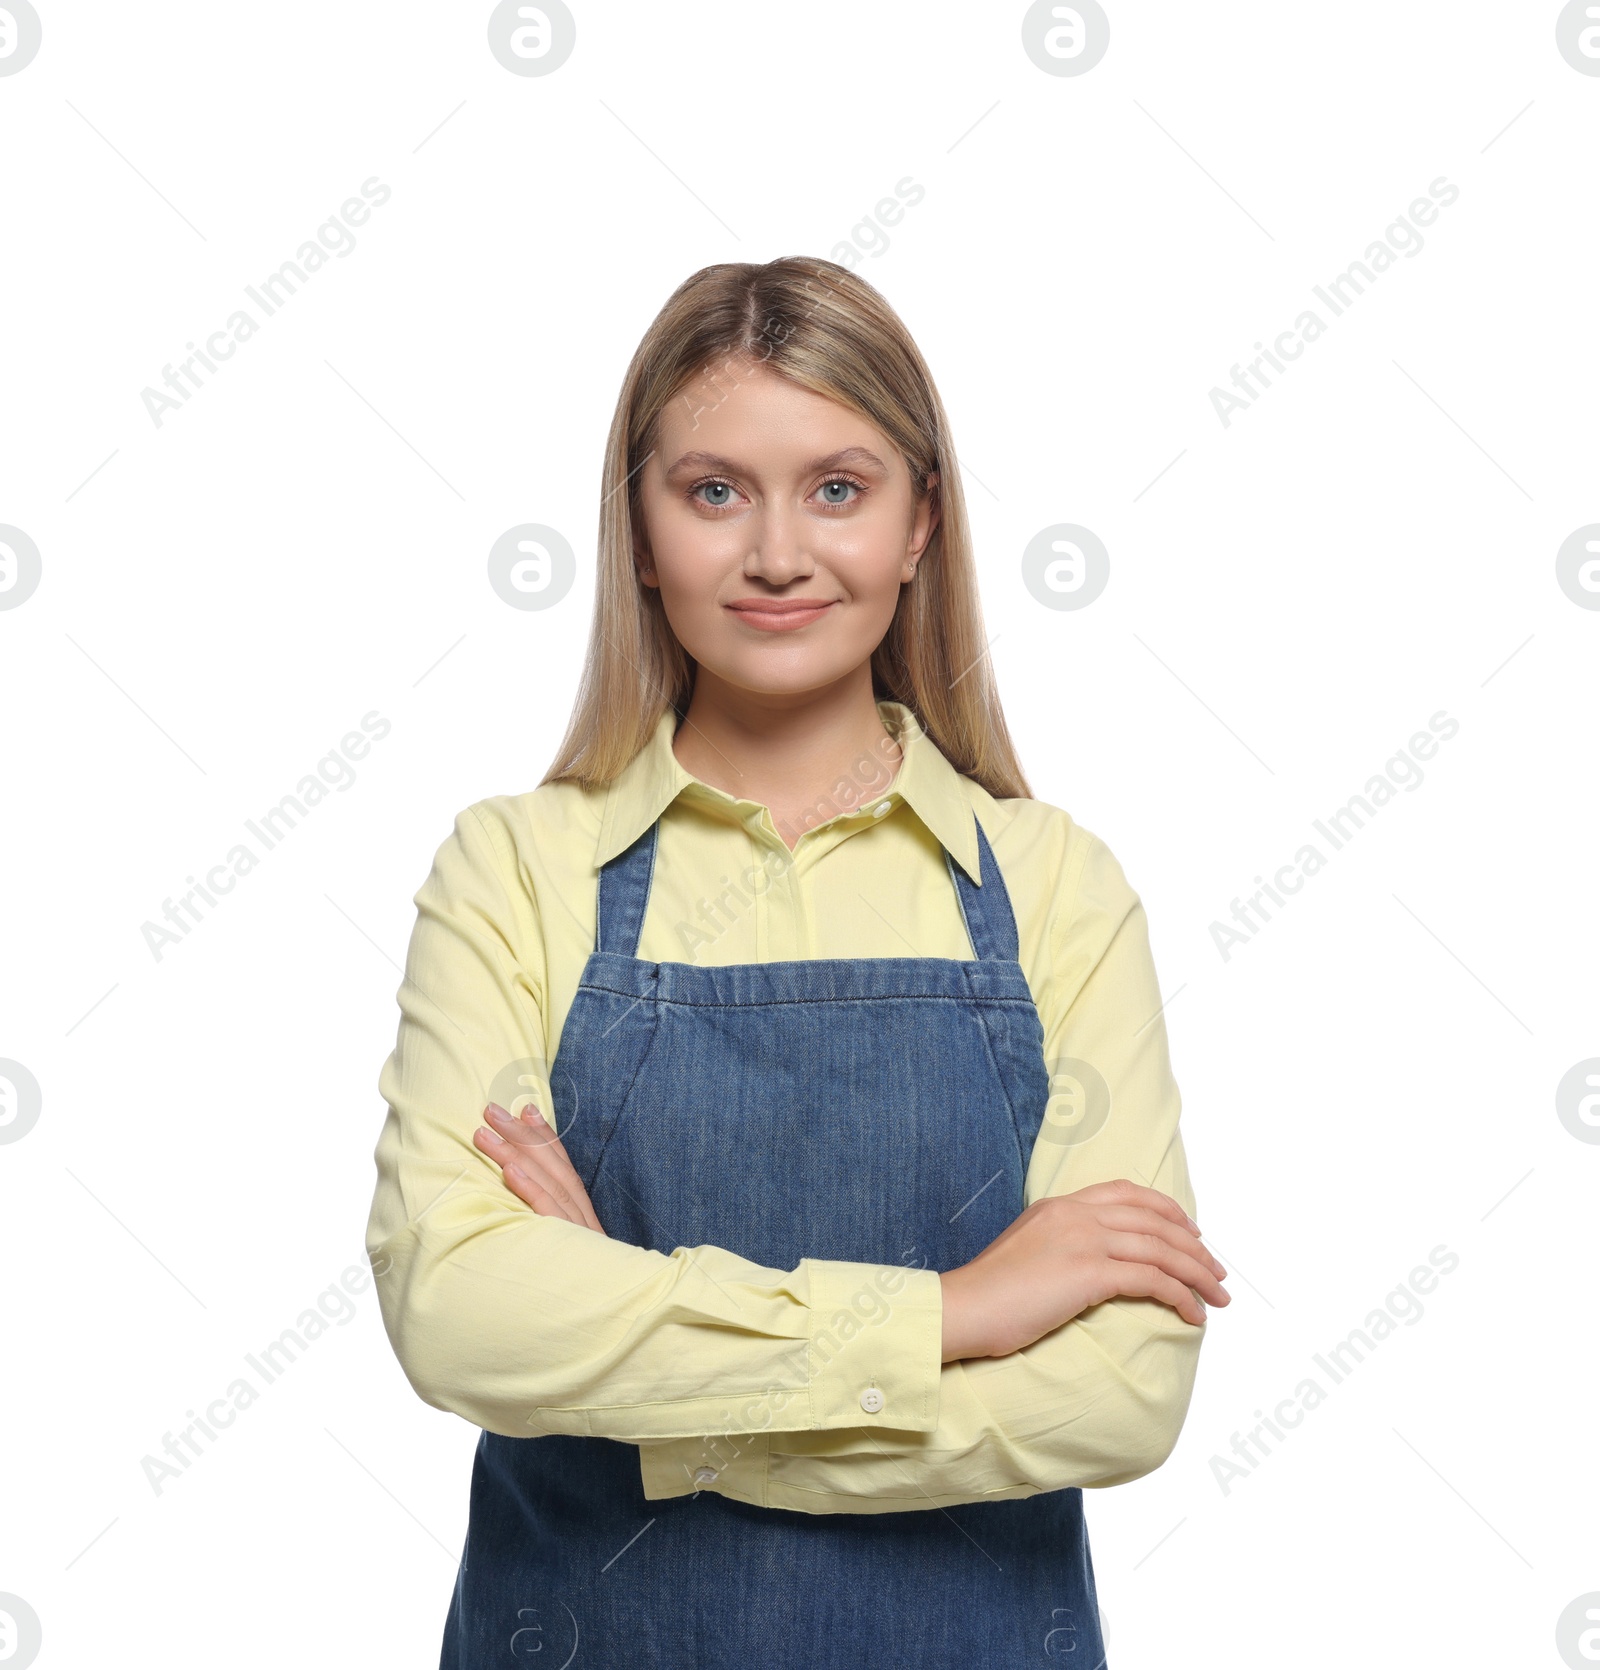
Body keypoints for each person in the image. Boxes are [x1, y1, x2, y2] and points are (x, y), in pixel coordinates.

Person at [366, 255, 1229, 1669]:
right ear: (639, 530)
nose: (777, 553)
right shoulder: (515, 870)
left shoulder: (1057, 886)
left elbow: (1122, 1393)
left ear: (919, 525)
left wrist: (661, 1402)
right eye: (714, 491)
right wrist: (954, 1312)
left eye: (838, 487)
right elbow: (459, 1313)